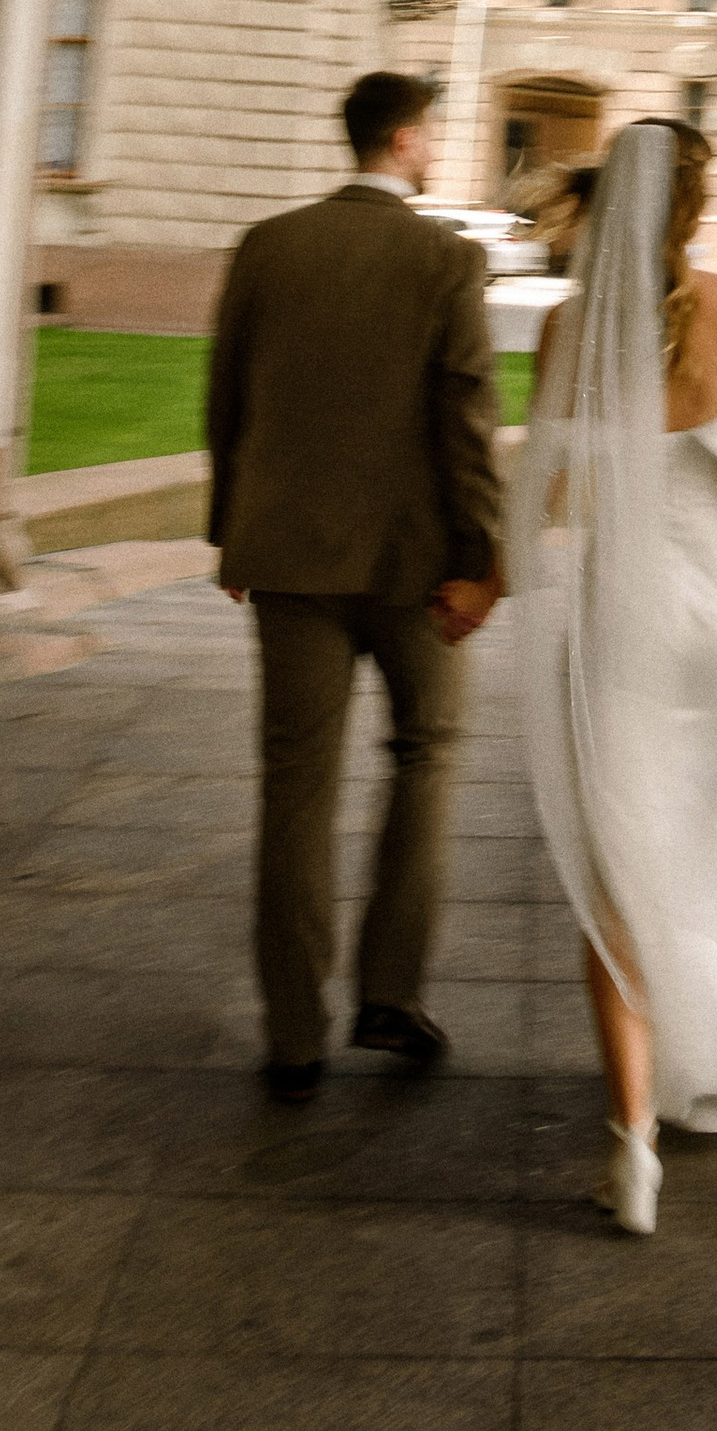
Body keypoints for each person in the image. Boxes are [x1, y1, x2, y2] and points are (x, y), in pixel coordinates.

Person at [514, 115, 717, 1235]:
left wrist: (487, 571)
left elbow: (546, 498)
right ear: (691, 208)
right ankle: (690, 1036)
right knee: (685, 826)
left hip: (622, 608)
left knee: (617, 862)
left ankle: (632, 1137)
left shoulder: (565, 328)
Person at [206, 68, 504, 1101]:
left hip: (287, 556)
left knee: (295, 783)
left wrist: (229, 536)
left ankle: (292, 1034)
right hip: (415, 567)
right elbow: (467, 419)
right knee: (425, 755)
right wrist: (480, 562)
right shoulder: (443, 256)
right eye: (431, 136)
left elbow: (226, 397)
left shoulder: (268, 245)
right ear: (409, 140)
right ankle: (387, 993)